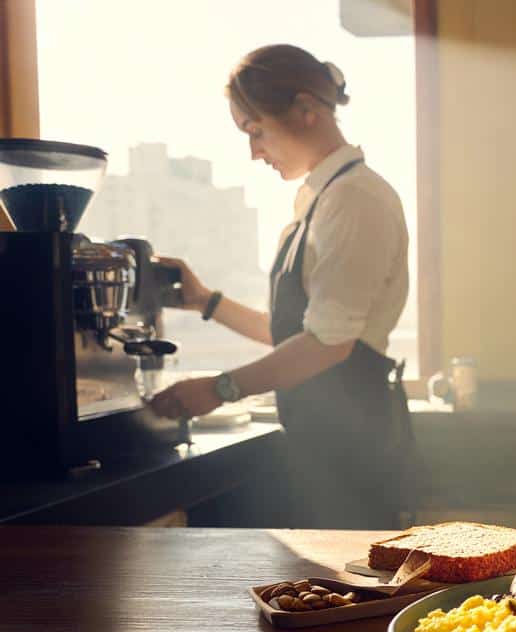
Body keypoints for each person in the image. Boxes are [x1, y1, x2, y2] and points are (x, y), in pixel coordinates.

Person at [150, 44, 416, 530]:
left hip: (351, 451)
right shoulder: (318, 198)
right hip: (323, 445)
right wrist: (206, 302)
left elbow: (328, 346)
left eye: (255, 131)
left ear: (306, 111)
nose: (253, 152)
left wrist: (220, 387)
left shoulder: (355, 200)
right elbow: (298, 335)